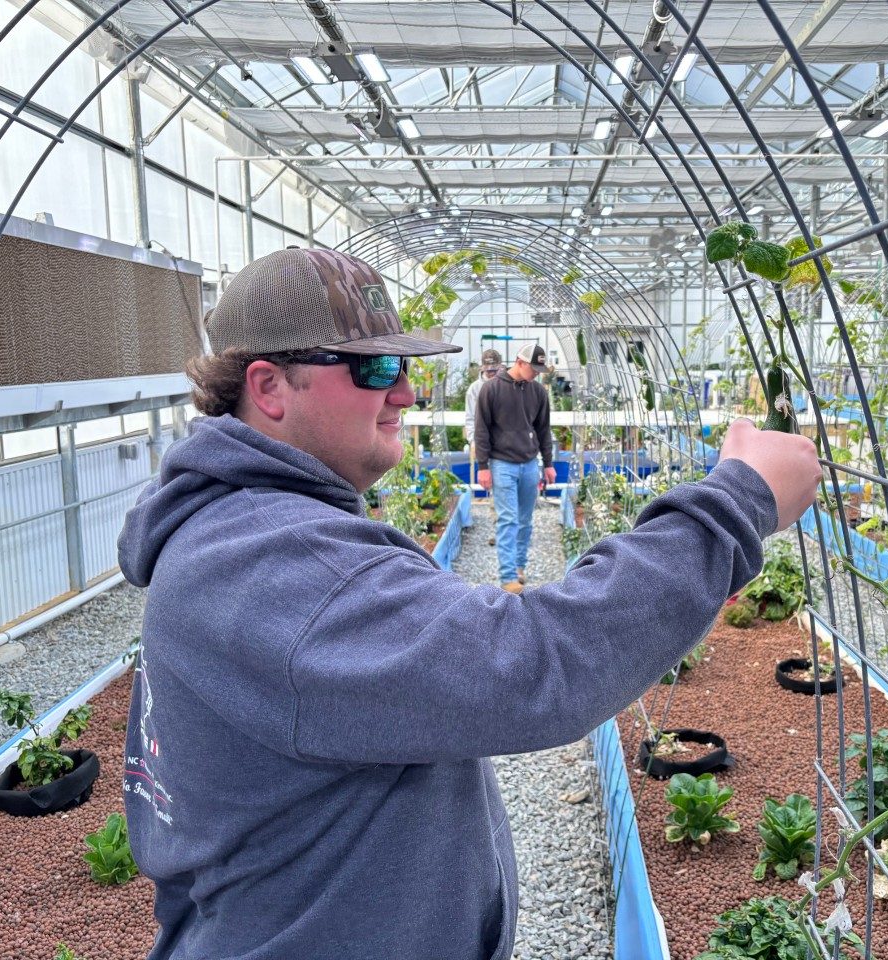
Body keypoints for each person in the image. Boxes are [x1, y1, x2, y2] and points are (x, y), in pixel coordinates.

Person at [117, 246, 822, 960]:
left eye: (406, 368)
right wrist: (735, 506)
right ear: (269, 387)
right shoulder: (271, 564)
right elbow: (530, 663)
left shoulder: (243, 530)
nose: (405, 394)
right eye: (376, 369)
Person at [474, 342, 555, 593]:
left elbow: (543, 430)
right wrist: (483, 466)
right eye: (533, 368)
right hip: (501, 464)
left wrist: (549, 464)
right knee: (508, 519)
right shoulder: (491, 390)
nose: (536, 374)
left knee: (526, 520)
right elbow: (481, 430)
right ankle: (508, 577)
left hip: (530, 464)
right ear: (519, 363)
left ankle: (520, 566)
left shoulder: (538, 393)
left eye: (539, 370)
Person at [463, 347, 502, 458]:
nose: (492, 373)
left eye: (494, 370)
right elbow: (470, 418)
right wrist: (473, 441)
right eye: (489, 370)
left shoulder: (507, 385)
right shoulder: (474, 389)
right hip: (484, 443)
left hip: (505, 444)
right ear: (482, 368)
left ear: (500, 367)